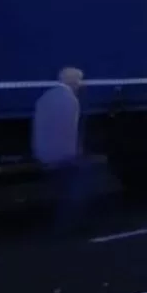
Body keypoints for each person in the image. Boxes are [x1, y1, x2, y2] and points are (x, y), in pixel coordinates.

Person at [32, 67, 93, 234]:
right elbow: (69, 130)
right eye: (79, 80)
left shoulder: (46, 97)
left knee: (62, 190)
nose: (81, 84)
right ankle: (70, 226)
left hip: (46, 154)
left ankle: (61, 224)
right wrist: (76, 154)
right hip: (64, 156)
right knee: (75, 189)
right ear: (72, 81)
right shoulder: (70, 100)